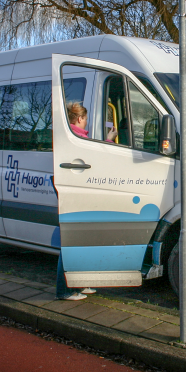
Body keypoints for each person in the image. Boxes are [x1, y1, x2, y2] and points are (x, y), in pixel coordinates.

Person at [56, 102, 112, 301]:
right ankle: (65, 290)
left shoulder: (71, 135)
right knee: (72, 242)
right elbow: (96, 161)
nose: (86, 122)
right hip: (76, 194)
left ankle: (82, 283)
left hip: (78, 192)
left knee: (83, 240)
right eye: (85, 119)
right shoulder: (76, 137)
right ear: (79, 119)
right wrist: (109, 141)